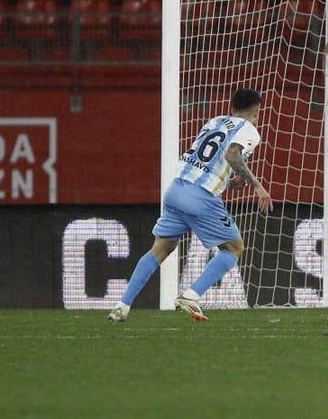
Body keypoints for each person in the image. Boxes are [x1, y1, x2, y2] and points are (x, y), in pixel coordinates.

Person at [107, 88, 273, 323]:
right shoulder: (249, 130)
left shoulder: (215, 121)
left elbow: (209, 159)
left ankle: (121, 306)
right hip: (201, 197)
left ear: (232, 107)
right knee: (234, 248)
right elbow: (232, 156)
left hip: (175, 189)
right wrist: (256, 184)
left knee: (159, 250)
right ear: (257, 110)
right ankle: (191, 295)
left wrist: (231, 181)